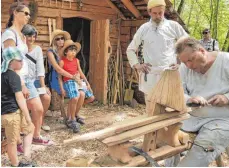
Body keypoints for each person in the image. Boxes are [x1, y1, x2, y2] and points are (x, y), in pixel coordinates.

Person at [166, 37, 229, 167]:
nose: (189, 65)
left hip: (222, 120)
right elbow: (177, 93)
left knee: (196, 158)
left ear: (202, 50)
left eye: (191, 59)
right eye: (184, 62)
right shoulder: (185, 68)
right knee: (168, 139)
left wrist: (227, 98)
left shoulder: (226, 61)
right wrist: (189, 99)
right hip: (191, 119)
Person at [126, 0, 188, 98]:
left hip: (169, 74)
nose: (158, 16)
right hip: (150, 75)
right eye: (155, 13)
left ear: (164, 11)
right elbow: (130, 49)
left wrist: (181, 64)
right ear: (149, 12)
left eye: (160, 13)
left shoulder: (173, 26)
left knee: (169, 108)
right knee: (152, 109)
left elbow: (187, 44)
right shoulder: (144, 28)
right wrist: (137, 65)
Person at [1, 1, 33, 154]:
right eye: (25, 13)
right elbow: (10, 61)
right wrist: (22, 83)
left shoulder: (21, 34)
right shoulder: (9, 33)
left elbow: (23, 57)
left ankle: (16, 143)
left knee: (24, 112)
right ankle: (13, 145)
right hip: (16, 79)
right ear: (15, 13)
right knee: (21, 113)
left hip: (24, 76)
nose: (28, 16)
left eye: (29, 14)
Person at [1, 47, 35, 167]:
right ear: (11, 62)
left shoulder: (2, 74)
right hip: (12, 113)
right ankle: (16, 164)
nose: (22, 62)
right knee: (12, 142)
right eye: (19, 60)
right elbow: (20, 98)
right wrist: (28, 117)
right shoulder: (13, 77)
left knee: (30, 129)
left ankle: (26, 158)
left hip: (5, 113)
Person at [46, 29, 86, 121]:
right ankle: (70, 117)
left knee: (81, 93)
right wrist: (73, 77)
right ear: (54, 41)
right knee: (75, 94)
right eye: (58, 39)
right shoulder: (50, 52)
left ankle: (74, 114)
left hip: (68, 77)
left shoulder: (65, 50)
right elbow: (58, 69)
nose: (61, 41)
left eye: (62, 38)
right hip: (56, 77)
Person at [58, 40, 94, 132]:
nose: (73, 52)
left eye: (74, 50)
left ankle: (75, 114)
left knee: (89, 97)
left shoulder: (76, 60)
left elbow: (81, 72)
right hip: (69, 82)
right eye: (71, 50)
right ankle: (72, 119)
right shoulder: (62, 62)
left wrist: (87, 83)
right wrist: (62, 88)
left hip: (78, 81)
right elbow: (60, 77)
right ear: (66, 52)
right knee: (75, 97)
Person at [22, 24, 51, 132]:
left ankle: (41, 121)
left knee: (47, 97)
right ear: (23, 36)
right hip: (23, 82)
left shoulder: (37, 49)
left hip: (36, 81)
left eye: (34, 37)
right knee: (24, 100)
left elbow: (40, 70)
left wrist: (44, 87)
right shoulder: (20, 49)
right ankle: (26, 124)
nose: (32, 39)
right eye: (30, 36)